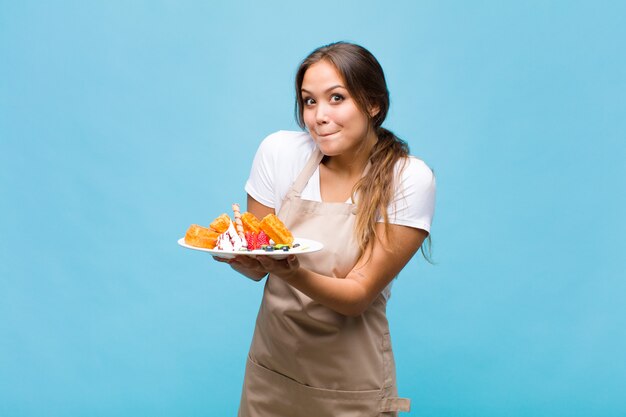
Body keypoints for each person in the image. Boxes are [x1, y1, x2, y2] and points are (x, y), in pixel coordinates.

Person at [215, 41, 436, 417]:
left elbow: (357, 295)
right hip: (273, 373)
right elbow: (257, 265)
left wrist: (290, 270)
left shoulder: (408, 178)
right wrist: (237, 252)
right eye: (309, 101)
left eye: (336, 98)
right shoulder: (280, 153)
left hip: (350, 385)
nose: (318, 115)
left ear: (372, 104)